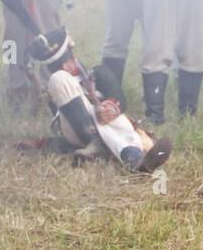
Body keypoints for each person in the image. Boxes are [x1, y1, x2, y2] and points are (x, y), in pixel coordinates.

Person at [28, 26, 173, 174]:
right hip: (78, 133)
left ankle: (136, 162)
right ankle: (103, 146)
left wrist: (110, 108)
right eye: (57, 65)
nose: (65, 66)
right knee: (58, 79)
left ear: (73, 55)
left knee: (112, 119)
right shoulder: (56, 84)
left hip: (111, 125)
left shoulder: (98, 72)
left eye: (67, 60)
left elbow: (119, 98)